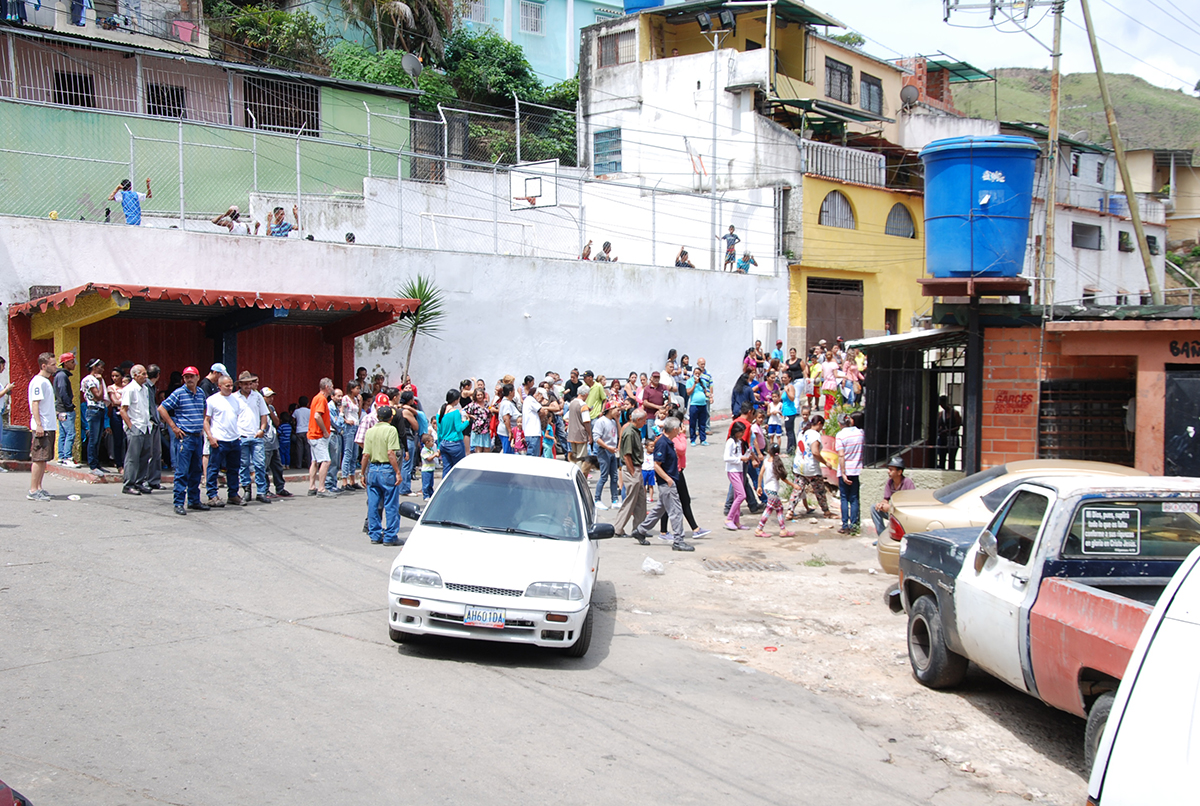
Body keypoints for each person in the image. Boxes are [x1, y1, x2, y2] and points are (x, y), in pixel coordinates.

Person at [630, 417, 695, 552]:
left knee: (660, 509)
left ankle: (640, 530)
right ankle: (678, 540)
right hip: (667, 483)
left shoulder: (668, 442)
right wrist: (668, 479)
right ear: (675, 429)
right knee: (676, 511)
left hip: (669, 482)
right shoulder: (662, 443)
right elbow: (656, 465)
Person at [158, 366, 209, 515]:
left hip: (197, 437)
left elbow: (204, 410)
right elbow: (162, 408)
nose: (189, 379)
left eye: (191, 376)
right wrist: (173, 426)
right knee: (182, 471)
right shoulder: (179, 393)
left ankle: (194, 500)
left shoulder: (200, 393)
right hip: (185, 437)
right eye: (186, 377)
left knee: (196, 471)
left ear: (197, 377)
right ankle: (179, 502)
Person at [361, 405, 403, 545]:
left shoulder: (370, 431)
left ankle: (375, 534)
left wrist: (362, 473)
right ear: (391, 417)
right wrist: (397, 471)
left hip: (373, 468)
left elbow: (366, 454)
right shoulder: (391, 430)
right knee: (391, 503)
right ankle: (390, 536)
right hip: (386, 468)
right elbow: (391, 453)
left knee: (373, 504)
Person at [204, 374, 245, 507]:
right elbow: (206, 420)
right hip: (219, 440)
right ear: (219, 386)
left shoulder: (235, 400)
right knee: (214, 468)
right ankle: (212, 494)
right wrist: (210, 436)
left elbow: (237, 418)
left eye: (231, 385)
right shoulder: (212, 400)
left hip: (234, 439)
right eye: (227, 385)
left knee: (233, 469)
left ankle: (233, 494)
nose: (230, 388)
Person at [234, 371, 271, 503]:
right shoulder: (235, 398)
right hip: (241, 435)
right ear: (240, 385)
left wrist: (262, 429)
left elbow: (264, 414)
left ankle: (261, 491)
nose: (248, 386)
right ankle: (247, 490)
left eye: (250, 383)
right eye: (245, 384)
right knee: (243, 465)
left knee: (260, 464)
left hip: (256, 434)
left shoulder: (257, 396)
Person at [788, 414, 834, 520]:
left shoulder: (802, 433)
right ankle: (826, 511)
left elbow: (797, 450)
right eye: (822, 426)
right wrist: (826, 463)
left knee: (797, 489)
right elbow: (815, 452)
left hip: (799, 466)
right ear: (819, 424)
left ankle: (790, 510)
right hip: (811, 468)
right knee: (820, 491)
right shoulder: (815, 435)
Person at [119, 364, 154, 496]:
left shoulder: (144, 389)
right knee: (132, 457)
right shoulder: (130, 389)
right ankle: (129, 484)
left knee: (145, 456)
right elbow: (123, 410)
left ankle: (139, 482)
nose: (146, 377)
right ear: (135, 375)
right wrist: (131, 426)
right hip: (136, 426)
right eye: (143, 374)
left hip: (145, 426)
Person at [27, 352, 57, 501]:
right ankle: (33, 490)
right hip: (42, 426)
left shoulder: (46, 382)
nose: (55, 367)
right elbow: (35, 403)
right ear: (44, 366)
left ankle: (39, 487)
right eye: (53, 364)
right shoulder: (38, 382)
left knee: (44, 458)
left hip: (49, 425)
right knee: (38, 458)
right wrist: (39, 425)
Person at [613, 409, 648, 536]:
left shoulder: (634, 431)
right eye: (644, 420)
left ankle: (639, 529)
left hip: (636, 468)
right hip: (632, 468)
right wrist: (633, 472)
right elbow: (627, 455)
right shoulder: (629, 433)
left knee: (641, 500)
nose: (645, 423)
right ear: (638, 420)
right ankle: (618, 528)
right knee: (630, 500)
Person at [836, 411, 865, 535]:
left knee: (844, 498)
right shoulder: (861, 433)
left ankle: (844, 524)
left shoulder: (840, 435)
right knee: (854, 498)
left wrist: (843, 473)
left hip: (845, 469)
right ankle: (853, 525)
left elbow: (841, 455)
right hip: (857, 470)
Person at [260, 386, 292, 499]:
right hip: (264, 442)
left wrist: (269, 409)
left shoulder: (271, 408)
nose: (271, 399)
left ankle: (280, 487)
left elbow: (277, 422)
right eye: (268, 397)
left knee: (277, 466)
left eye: (272, 397)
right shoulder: (258, 407)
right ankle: (265, 489)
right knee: (265, 467)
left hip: (274, 441)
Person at [755, 445, 794, 537]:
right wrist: (793, 485)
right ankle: (759, 528)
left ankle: (783, 529)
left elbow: (760, 474)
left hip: (768, 489)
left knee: (779, 508)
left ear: (769, 451)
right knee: (769, 509)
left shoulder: (766, 461)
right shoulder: (776, 463)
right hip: (773, 490)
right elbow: (783, 478)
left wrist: (759, 486)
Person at [872, 457, 916, 537]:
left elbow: (911, 504)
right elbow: (886, 499)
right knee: (873, 508)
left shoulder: (907, 482)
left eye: (891, 470)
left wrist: (891, 508)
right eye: (888, 469)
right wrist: (881, 504)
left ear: (899, 472)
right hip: (893, 512)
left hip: (904, 514)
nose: (888, 472)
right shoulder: (890, 482)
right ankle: (881, 536)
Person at [307, 378, 336, 497]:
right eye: (332, 386)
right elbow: (317, 416)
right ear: (327, 387)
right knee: (326, 460)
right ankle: (321, 488)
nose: (333, 388)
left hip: (313, 434)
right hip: (318, 435)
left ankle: (312, 486)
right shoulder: (321, 399)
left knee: (314, 461)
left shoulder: (317, 398)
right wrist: (324, 430)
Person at [723, 421, 753, 530]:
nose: (742, 434)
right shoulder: (730, 442)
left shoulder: (738, 442)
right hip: (733, 471)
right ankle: (729, 518)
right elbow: (726, 457)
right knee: (741, 495)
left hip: (739, 470)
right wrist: (739, 459)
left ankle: (737, 521)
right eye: (741, 432)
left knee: (737, 496)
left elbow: (739, 455)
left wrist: (746, 455)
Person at [591, 401, 620, 509]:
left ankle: (615, 499)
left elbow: (619, 434)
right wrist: (608, 447)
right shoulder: (601, 421)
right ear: (610, 409)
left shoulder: (613, 421)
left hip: (612, 450)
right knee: (604, 476)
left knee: (614, 476)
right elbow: (596, 438)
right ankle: (597, 499)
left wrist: (617, 421)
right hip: (604, 450)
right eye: (617, 409)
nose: (618, 412)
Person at [436, 388, 470, 476]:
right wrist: (467, 422)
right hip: (455, 444)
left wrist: (439, 445)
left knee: (446, 469)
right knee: (459, 469)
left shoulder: (440, 411)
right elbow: (458, 428)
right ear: (456, 400)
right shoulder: (455, 412)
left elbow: (439, 430)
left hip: (444, 443)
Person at [53, 352, 77, 467]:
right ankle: (67, 457)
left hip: (60, 409)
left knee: (63, 434)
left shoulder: (59, 375)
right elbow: (63, 392)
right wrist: (69, 406)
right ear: (66, 363)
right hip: (65, 410)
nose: (74, 364)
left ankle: (61, 457)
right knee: (70, 433)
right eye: (72, 362)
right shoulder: (62, 376)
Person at [340, 380, 362, 489]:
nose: (358, 391)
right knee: (347, 453)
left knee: (354, 454)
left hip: (356, 425)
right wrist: (345, 420)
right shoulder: (345, 399)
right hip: (349, 427)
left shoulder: (356, 400)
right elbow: (341, 412)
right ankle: (344, 480)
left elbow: (358, 413)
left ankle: (352, 479)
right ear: (351, 389)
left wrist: (360, 402)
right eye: (357, 388)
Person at [936, 395, 962, 470]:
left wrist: (948, 430)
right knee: (942, 458)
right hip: (943, 438)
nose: (942, 406)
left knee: (951, 459)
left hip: (952, 437)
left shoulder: (955, 413)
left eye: (942, 404)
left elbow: (958, 426)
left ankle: (951, 470)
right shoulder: (941, 414)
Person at [566, 390, 592, 467]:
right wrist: (590, 434)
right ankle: (579, 475)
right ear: (586, 394)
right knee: (581, 457)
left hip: (571, 433)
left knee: (573, 456)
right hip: (581, 433)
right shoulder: (583, 405)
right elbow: (586, 421)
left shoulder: (572, 403)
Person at [496, 383, 518, 454]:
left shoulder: (508, 402)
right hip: (506, 432)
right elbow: (506, 418)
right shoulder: (507, 404)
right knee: (508, 452)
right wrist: (510, 432)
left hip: (507, 431)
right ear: (510, 392)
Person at [419, 432, 439, 500]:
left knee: (431, 483)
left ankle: (431, 494)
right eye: (432, 441)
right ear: (427, 442)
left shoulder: (431, 450)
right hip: (426, 470)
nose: (433, 443)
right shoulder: (424, 450)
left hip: (431, 469)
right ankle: (426, 495)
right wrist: (435, 455)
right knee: (426, 484)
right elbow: (429, 459)